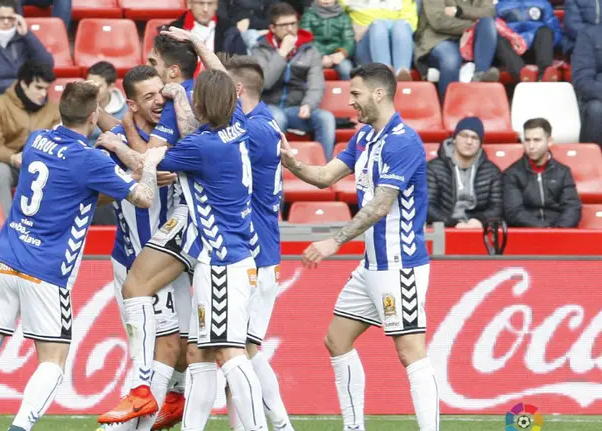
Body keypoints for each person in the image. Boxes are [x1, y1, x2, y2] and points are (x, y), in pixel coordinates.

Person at [0, 81, 167, 431]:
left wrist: (116, 175)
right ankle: (19, 428)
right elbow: (144, 198)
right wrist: (147, 166)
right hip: (47, 271)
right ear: (93, 116)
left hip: (7, 258)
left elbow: (78, 192)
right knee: (53, 361)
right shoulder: (89, 159)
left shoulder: (37, 140)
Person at [280, 63, 439, 431]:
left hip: (401, 265)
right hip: (372, 265)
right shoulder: (365, 137)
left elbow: (381, 205)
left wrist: (335, 240)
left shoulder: (403, 140)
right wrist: (293, 164)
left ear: (378, 94)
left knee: (411, 353)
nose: (350, 102)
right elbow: (323, 177)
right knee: (337, 340)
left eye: (355, 94)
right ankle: (354, 427)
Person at [160, 68, 267, 431]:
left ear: (202, 103)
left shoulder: (201, 147)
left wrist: (116, 143)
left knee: (230, 354)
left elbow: (152, 158)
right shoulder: (237, 126)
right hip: (235, 256)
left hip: (222, 261)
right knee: (199, 353)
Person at [91, 65, 193, 431]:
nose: (159, 102)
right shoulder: (113, 141)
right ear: (131, 104)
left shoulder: (181, 133)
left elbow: (151, 154)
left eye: (161, 93)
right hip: (130, 261)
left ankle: (161, 402)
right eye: (148, 97)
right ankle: (141, 413)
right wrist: (125, 181)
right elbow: (94, 194)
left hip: (172, 260)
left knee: (180, 349)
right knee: (161, 348)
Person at [220, 53, 294, 431]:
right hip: (249, 250)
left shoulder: (259, 130)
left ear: (236, 90)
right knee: (240, 350)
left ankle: (275, 425)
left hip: (259, 253)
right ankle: (268, 424)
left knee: (242, 352)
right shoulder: (259, 124)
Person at [0, 0, 54, 154]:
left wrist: (28, 35)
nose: (6, 22)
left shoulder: (22, 38)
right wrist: (0, 102)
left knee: (48, 114)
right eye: (1, 18)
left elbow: (46, 64)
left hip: (22, 96)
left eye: (11, 18)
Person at [253, 2, 336, 159]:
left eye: (293, 23)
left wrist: (308, 104)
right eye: (284, 25)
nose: (290, 29)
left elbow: (316, 84)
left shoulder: (309, 50)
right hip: (268, 107)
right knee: (278, 118)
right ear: (272, 28)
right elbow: (264, 82)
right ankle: (275, 170)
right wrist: (282, 53)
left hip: (296, 109)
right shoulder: (260, 50)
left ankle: (325, 171)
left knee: (326, 118)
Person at [0, 62, 60, 214]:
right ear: (24, 83)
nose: (43, 94)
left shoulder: (53, 109)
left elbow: (58, 143)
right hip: (8, 165)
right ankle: (5, 229)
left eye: (46, 88)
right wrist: (12, 158)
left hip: (41, 165)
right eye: (38, 88)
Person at [502, 118, 582, 228]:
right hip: (527, 235)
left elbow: (572, 207)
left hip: (559, 234)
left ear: (549, 141)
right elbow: (514, 212)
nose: (531, 146)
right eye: (527, 140)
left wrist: (558, 230)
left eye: (537, 140)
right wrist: (544, 229)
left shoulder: (563, 172)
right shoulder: (512, 173)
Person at [415, 0, 499, 100]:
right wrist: (472, 26)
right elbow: (439, 21)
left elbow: (489, 12)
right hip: (439, 39)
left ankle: (479, 75)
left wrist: (459, 11)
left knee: (487, 23)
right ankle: (450, 107)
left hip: (471, 42)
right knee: (451, 60)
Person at [426, 117, 503, 228]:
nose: (469, 142)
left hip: (477, 228)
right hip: (443, 228)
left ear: (480, 143)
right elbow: (427, 206)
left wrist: (480, 220)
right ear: (454, 139)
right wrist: (453, 223)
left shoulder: (492, 171)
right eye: (464, 136)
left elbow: (497, 207)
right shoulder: (433, 168)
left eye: (475, 138)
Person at [344, 0, 418, 80]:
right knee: (378, 26)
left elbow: (410, 22)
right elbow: (336, 14)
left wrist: (385, 25)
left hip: (396, 41)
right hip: (365, 41)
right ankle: (383, 73)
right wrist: (349, 26)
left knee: (401, 25)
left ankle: (402, 72)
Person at [300, 0, 356, 80]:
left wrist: (342, 53)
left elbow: (349, 40)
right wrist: (321, 56)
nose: (326, 1)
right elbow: (305, 40)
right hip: (314, 55)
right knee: (304, 68)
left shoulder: (344, 17)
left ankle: (348, 92)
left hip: (337, 55)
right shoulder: (308, 16)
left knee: (347, 70)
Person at [168, 0, 247, 55]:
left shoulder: (230, 32)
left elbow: (241, 70)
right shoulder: (172, 32)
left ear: (216, 5)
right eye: (200, 3)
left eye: (210, 3)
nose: (205, 9)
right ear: (189, 4)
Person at [572, 23, 602, 147]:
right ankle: (590, 163)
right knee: (597, 109)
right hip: (597, 97)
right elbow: (582, 80)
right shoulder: (589, 35)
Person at [86, 61, 128, 144]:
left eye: (98, 86)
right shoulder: (78, 105)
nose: (92, 90)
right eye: (90, 84)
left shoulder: (126, 112)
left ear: (110, 87)